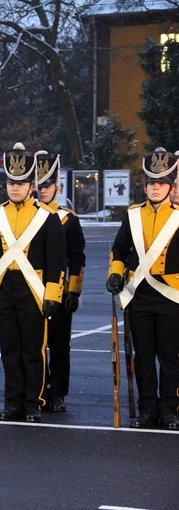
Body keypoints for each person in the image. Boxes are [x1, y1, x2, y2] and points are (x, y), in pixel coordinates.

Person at [0, 142, 66, 423]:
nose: (14, 188)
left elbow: (57, 261)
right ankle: (12, 401)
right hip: (4, 288)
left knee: (33, 350)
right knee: (9, 349)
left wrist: (53, 294)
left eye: (20, 182)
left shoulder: (47, 217)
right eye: (11, 182)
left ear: (31, 185)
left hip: (33, 290)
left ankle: (32, 402)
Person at [106, 148, 179, 430]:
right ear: (145, 186)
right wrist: (115, 273)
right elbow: (119, 249)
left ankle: (170, 409)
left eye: (161, 183)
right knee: (144, 355)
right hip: (139, 295)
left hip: (171, 296)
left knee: (170, 357)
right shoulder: (133, 215)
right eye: (151, 183)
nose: (156, 187)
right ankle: (148, 409)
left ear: (170, 186)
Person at [35, 151, 86, 412]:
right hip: (33, 290)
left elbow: (77, 258)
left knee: (58, 345)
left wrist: (74, 291)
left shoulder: (68, 219)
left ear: (58, 187)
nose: (42, 191)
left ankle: (58, 392)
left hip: (61, 289)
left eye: (47, 186)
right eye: (39, 186)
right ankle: (39, 389)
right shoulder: (29, 217)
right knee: (34, 345)